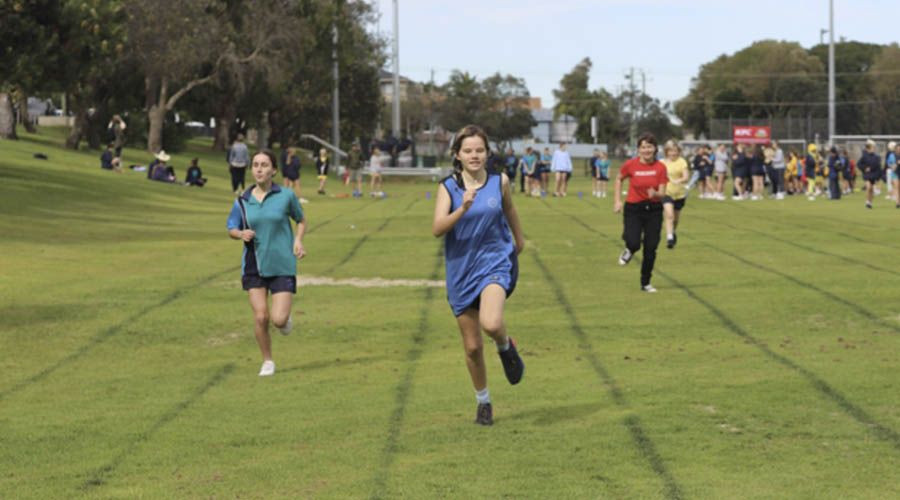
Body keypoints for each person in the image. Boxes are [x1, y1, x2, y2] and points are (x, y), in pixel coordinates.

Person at [431, 125, 525, 426]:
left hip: (495, 262)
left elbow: (510, 210)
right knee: (472, 347)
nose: (474, 155)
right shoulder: (448, 188)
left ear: (487, 153)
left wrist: (519, 240)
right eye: (468, 150)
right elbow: (437, 228)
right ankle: (483, 401)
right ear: (457, 155)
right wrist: (463, 208)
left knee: (491, 322)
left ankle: (504, 346)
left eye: (480, 150)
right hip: (461, 269)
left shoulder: (500, 182)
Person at [226, 150, 307, 377]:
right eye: (255, 165)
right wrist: (240, 234)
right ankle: (267, 361)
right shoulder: (242, 201)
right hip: (254, 264)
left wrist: (298, 241)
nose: (259, 169)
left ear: (273, 170)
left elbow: (301, 220)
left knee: (278, 320)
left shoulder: (286, 196)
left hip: (282, 263)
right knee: (261, 316)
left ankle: (284, 321)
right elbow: (231, 227)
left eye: (264, 165)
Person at [614, 133, 668, 293]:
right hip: (634, 209)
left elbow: (663, 193)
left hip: (654, 210)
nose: (646, 150)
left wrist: (655, 194)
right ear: (638, 150)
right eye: (643, 147)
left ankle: (646, 282)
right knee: (634, 242)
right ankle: (629, 249)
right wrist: (617, 201)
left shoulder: (660, 167)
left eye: (649, 147)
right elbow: (618, 179)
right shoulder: (630, 165)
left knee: (651, 247)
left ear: (655, 149)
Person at [661, 140, 689, 249]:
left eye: (675, 151)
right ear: (666, 152)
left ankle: (672, 232)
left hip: (679, 194)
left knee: (675, 219)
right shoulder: (662, 163)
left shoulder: (682, 162)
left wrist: (680, 180)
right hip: (666, 193)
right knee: (669, 215)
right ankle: (669, 238)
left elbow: (686, 177)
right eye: (671, 151)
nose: (673, 153)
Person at [859, 139, 882, 209]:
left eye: (873, 147)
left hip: (874, 175)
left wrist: (878, 177)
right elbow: (859, 164)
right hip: (867, 175)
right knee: (868, 187)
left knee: (871, 189)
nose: (873, 149)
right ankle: (867, 202)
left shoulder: (877, 157)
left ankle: (870, 203)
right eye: (872, 147)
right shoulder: (864, 156)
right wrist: (865, 168)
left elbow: (878, 167)